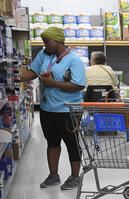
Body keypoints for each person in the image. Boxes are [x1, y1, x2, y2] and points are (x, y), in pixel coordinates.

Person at [20, 27, 86, 190]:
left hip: (68, 110)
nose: (44, 45)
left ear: (57, 41)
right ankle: (53, 175)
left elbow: (78, 85)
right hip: (47, 108)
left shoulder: (74, 61)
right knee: (52, 142)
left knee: (72, 143)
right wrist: (14, 77)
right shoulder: (43, 55)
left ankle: (75, 177)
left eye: (47, 42)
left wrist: (53, 83)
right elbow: (33, 72)